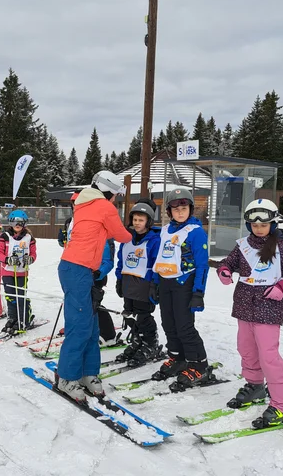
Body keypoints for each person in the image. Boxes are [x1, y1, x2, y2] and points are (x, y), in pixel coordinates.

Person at [217, 199, 283, 428]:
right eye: (254, 224)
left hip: (269, 310)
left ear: (273, 222)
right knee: (247, 350)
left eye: (264, 224)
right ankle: (255, 386)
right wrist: (224, 270)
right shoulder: (243, 245)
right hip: (244, 307)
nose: (259, 228)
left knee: (269, 357)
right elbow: (228, 262)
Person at [56, 171, 132, 401]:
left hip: (81, 269)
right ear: (108, 191)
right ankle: (67, 377)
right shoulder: (103, 206)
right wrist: (135, 234)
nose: (115, 200)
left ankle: (88, 372)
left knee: (91, 325)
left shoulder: (84, 203)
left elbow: (103, 231)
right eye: (115, 195)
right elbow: (121, 235)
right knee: (79, 325)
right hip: (77, 269)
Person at [151, 188, 210, 388]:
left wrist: (198, 292)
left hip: (185, 283)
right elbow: (159, 258)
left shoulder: (195, 232)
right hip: (166, 282)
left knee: (185, 326)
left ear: (190, 209)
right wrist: (154, 283)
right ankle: (178, 358)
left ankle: (199, 364)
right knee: (168, 323)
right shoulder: (166, 230)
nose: (180, 212)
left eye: (184, 208)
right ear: (169, 212)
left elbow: (202, 265)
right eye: (176, 209)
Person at [59, 191, 119, 345]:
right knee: (74, 302)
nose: (75, 206)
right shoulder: (70, 221)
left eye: (78, 203)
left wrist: (99, 272)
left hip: (94, 272)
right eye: (73, 203)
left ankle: (108, 334)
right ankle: (76, 328)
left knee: (93, 304)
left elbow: (109, 257)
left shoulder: (99, 222)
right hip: (75, 269)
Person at [115, 200, 162, 367]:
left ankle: (150, 344)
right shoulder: (127, 239)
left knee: (143, 316)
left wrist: (154, 285)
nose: (137, 223)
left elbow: (157, 264)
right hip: (128, 282)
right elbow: (121, 260)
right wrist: (119, 279)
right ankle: (137, 341)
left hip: (144, 284)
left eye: (140, 220)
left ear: (148, 221)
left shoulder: (154, 240)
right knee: (129, 314)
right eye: (134, 220)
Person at [0, 210, 37, 334]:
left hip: (21, 272)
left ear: (24, 223)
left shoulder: (29, 238)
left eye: (20, 222)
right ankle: (13, 317)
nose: (17, 225)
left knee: (20, 296)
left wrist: (30, 259)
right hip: (8, 271)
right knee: (10, 296)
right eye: (14, 222)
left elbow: (33, 253)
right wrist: (7, 259)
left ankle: (24, 319)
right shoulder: (5, 236)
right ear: (10, 223)